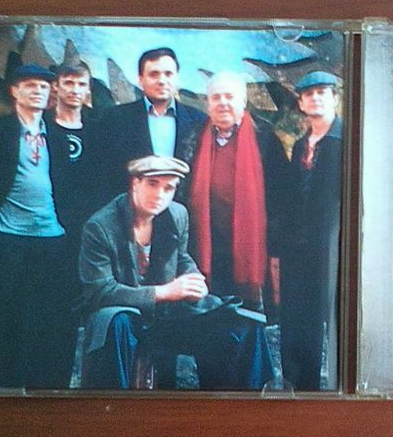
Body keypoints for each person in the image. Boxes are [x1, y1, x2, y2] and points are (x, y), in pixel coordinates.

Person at [77, 155, 274, 390]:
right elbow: (100, 292)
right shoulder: (101, 227)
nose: (160, 195)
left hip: (167, 316)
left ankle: (237, 404)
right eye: (152, 184)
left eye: (168, 188)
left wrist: (194, 279)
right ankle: (114, 408)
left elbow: (181, 258)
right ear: (135, 183)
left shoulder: (176, 215)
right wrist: (164, 292)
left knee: (241, 322)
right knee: (116, 320)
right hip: (126, 318)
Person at [0, 64, 79, 389]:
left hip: (50, 238)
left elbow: (66, 186)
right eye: (30, 85)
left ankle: (27, 385)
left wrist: (65, 225)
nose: (38, 91)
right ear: (14, 91)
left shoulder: (57, 135)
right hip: (6, 235)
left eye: (43, 86)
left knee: (36, 314)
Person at [182, 71, 285, 309]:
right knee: (212, 313)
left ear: (243, 101)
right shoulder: (194, 135)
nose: (223, 103)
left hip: (253, 246)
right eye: (216, 97)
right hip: (206, 243)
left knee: (248, 316)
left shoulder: (265, 137)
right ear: (208, 103)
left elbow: (280, 197)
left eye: (229, 96)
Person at [273, 71, 344, 391]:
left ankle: (320, 387)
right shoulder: (302, 144)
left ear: (334, 98)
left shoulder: (345, 141)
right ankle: (295, 384)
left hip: (329, 244)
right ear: (301, 103)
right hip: (297, 245)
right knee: (293, 316)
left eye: (322, 92)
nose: (315, 98)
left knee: (323, 317)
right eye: (309, 94)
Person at [97, 47, 207, 205]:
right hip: (130, 211)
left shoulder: (199, 120)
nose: (162, 80)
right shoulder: (115, 119)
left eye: (168, 74)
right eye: (154, 74)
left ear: (176, 78)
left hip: (182, 212)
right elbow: (103, 174)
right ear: (140, 80)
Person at [44, 61, 106, 257]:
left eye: (81, 84)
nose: (75, 90)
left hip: (86, 217)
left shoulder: (98, 127)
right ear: (56, 86)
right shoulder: (42, 124)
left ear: (88, 89)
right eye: (69, 83)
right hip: (47, 214)